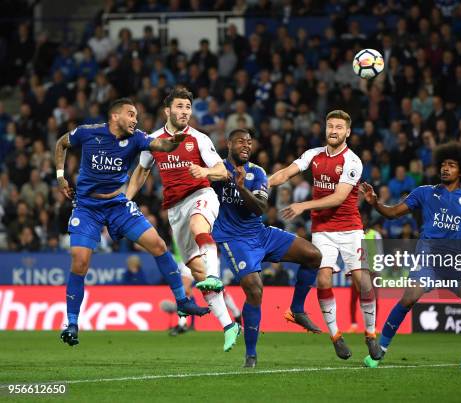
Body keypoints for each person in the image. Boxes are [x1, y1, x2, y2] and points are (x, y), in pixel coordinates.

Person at [55, 98, 209, 347]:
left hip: (118, 204)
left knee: (158, 245)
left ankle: (182, 301)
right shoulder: (87, 133)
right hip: (87, 206)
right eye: (131, 114)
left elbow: (161, 145)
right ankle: (71, 323)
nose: (135, 119)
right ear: (115, 117)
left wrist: (173, 143)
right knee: (80, 261)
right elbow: (62, 144)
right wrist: (61, 177)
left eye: (137, 115)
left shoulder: (137, 138)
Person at [361, 141, 461, 371]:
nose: (445, 169)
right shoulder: (424, 193)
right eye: (443, 165)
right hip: (429, 254)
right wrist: (375, 203)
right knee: (410, 296)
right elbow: (392, 213)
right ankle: (379, 350)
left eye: (451, 165)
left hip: (456, 259)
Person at [126, 87, 241, 352]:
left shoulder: (198, 138)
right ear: (167, 111)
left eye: (188, 108)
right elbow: (141, 172)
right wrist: (125, 200)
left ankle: (214, 273)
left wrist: (204, 170)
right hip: (174, 209)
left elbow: (223, 170)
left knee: (198, 224)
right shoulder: (152, 139)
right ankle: (228, 325)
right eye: (179, 107)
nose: (184, 112)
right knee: (197, 272)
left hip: (201, 194)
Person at [269, 110, 383, 361]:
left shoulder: (353, 161)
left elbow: (339, 197)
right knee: (322, 280)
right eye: (330, 126)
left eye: (339, 127)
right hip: (322, 230)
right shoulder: (314, 154)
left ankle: (371, 334)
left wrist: (303, 206)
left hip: (350, 228)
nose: (333, 130)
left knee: (363, 283)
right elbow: (287, 172)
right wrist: (265, 183)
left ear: (348, 132)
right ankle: (336, 336)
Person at [212, 128, 322, 368]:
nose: (246, 145)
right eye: (240, 141)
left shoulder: (257, 172)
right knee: (255, 289)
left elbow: (260, 207)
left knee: (313, 255)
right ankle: (251, 354)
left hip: (261, 233)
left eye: (249, 142)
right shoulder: (217, 170)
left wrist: (241, 188)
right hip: (233, 239)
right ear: (228, 143)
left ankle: (297, 309)